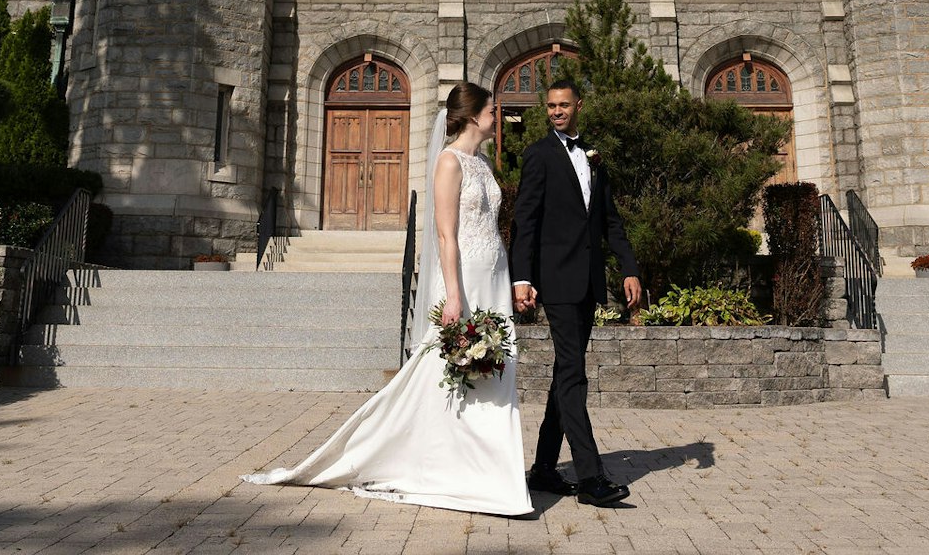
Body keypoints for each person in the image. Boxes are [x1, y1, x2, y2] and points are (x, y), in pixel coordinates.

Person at [241, 81, 529, 515]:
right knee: (449, 371)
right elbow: (447, 234)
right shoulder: (449, 163)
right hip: (464, 277)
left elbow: (491, 225)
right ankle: (440, 461)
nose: (497, 113)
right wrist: (453, 296)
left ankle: (491, 469)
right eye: (492, 108)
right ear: (472, 115)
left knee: (494, 369)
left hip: (494, 271)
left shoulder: (483, 164)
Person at [510, 76, 642, 508]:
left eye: (563, 105)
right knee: (574, 374)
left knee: (566, 375)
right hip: (558, 282)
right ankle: (590, 477)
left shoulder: (593, 156)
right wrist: (522, 279)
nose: (557, 112)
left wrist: (629, 268)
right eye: (550, 106)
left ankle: (545, 468)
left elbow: (610, 221)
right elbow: (524, 222)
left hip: (588, 281)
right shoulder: (539, 156)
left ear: (578, 105)